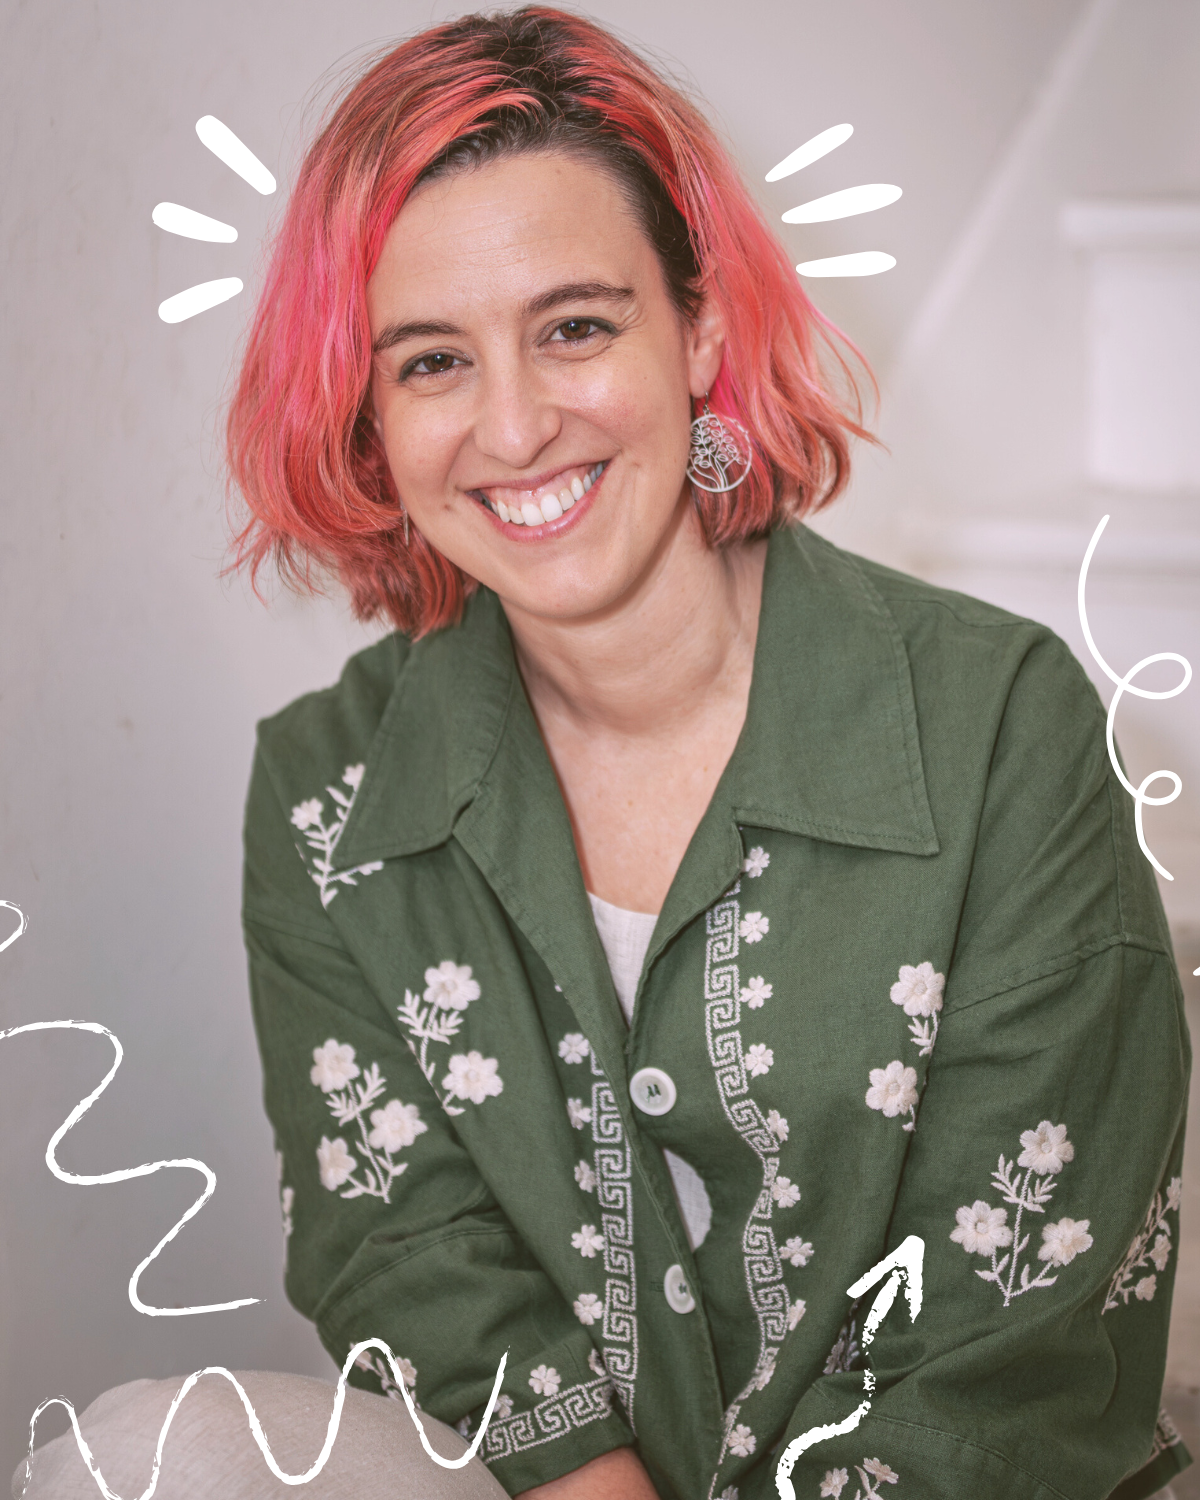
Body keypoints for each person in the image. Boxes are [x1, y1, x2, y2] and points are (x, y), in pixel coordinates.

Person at [14, 8, 1191, 1500]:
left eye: (576, 326)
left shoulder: (1001, 727)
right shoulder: (326, 789)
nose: (515, 426)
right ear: (370, 418)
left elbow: (1008, 1346)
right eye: (432, 360)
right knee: (133, 1460)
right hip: (558, 1485)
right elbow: (404, 1246)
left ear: (699, 332)